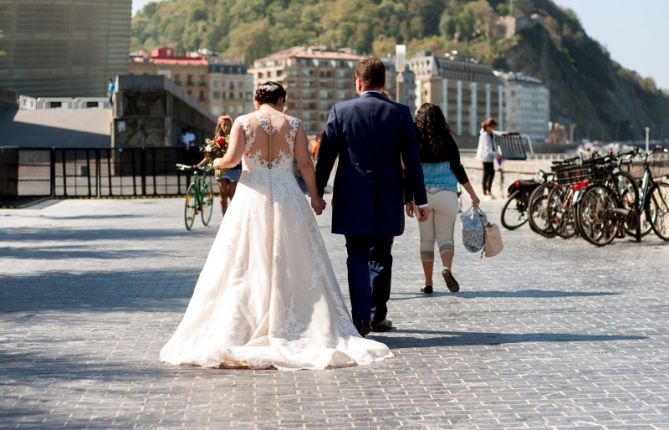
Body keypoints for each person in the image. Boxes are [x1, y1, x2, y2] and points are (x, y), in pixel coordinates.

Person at [160, 81, 392, 370]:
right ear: (281, 99)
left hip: (251, 195)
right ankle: (295, 321)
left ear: (257, 100)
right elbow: (306, 165)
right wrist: (316, 197)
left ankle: (245, 323)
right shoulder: (293, 124)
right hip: (286, 195)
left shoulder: (243, 123)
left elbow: (232, 159)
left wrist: (215, 160)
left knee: (243, 259)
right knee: (294, 258)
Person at [315, 58, 428, 337]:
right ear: (384, 82)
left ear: (359, 82)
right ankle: (378, 316)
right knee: (382, 256)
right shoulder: (401, 113)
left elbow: (325, 157)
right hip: (388, 196)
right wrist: (419, 199)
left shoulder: (340, 111)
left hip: (351, 197)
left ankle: (361, 319)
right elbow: (412, 161)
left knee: (356, 256)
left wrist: (316, 192)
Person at [406, 103, 480, 294]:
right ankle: (446, 269)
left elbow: (409, 171)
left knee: (426, 239)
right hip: (446, 194)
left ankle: (428, 282)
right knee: (446, 238)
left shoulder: (414, 140)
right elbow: (458, 169)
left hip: (422, 196)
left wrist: (407, 198)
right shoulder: (448, 138)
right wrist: (472, 194)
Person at [476, 117, 503, 199]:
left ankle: (487, 191)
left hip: (489, 157)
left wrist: (505, 133)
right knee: (487, 173)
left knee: (490, 173)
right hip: (485, 157)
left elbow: (497, 133)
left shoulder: (491, 133)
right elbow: (488, 149)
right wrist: (497, 155)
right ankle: (486, 191)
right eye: (492, 127)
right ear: (488, 126)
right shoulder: (485, 135)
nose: (493, 129)